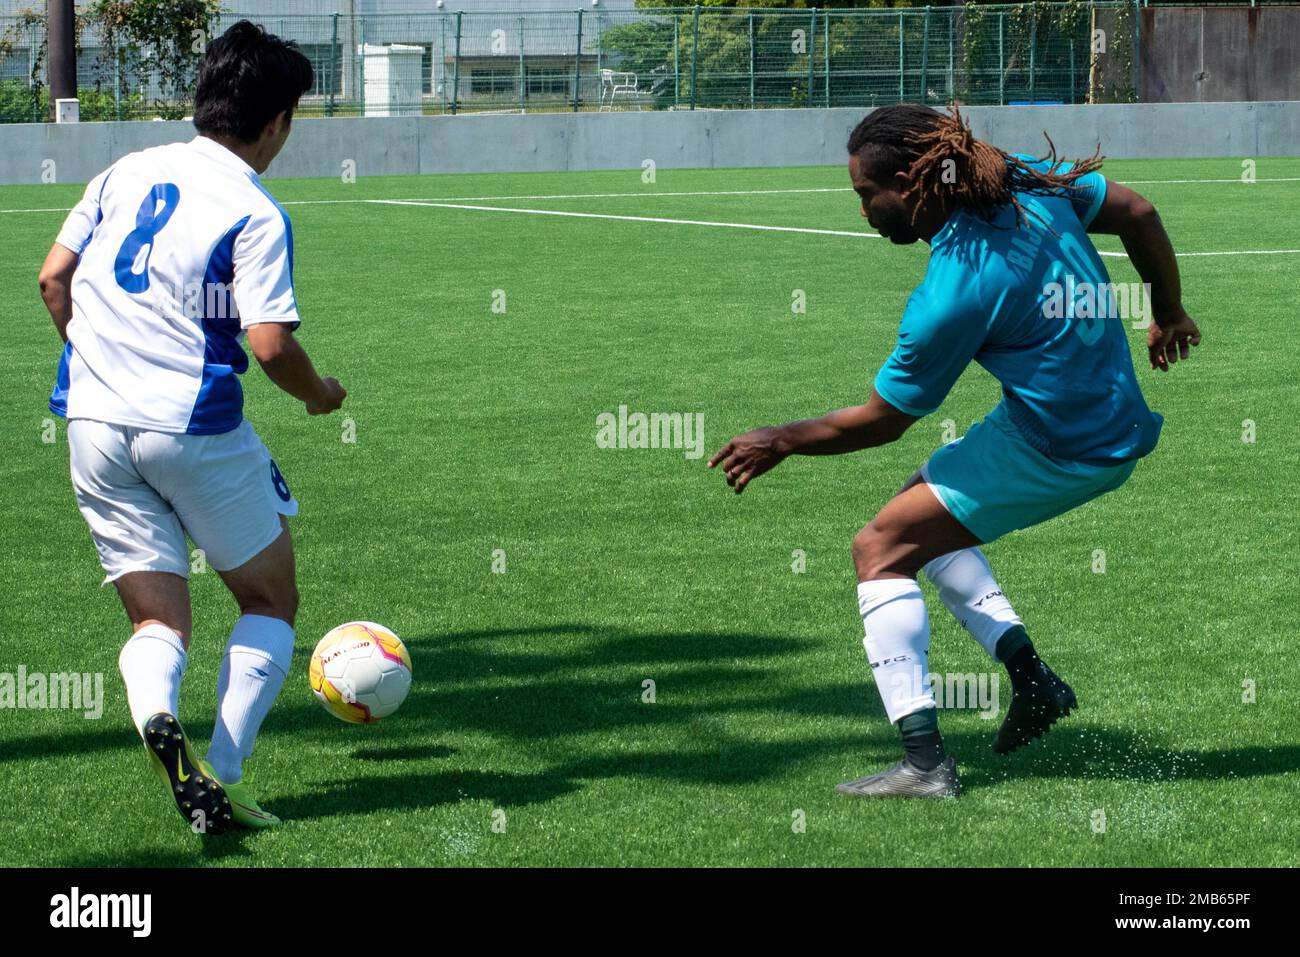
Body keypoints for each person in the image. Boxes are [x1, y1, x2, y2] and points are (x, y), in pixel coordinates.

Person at [708, 104, 1200, 798]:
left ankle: (926, 765)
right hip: (1087, 419)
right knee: (925, 510)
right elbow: (1139, 210)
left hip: (1061, 446)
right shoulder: (1029, 185)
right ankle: (1034, 680)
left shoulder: (953, 292)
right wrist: (1169, 309)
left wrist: (780, 438)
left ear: (911, 184)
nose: (860, 212)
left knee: (879, 548)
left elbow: (882, 420)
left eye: (863, 195)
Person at [36, 21, 345, 832]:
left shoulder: (125, 170)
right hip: (193, 426)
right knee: (270, 598)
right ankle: (231, 774)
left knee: (157, 620)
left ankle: (159, 722)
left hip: (93, 424)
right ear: (277, 122)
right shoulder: (254, 207)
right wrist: (317, 395)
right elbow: (270, 342)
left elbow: (52, 279)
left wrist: (105, 362)